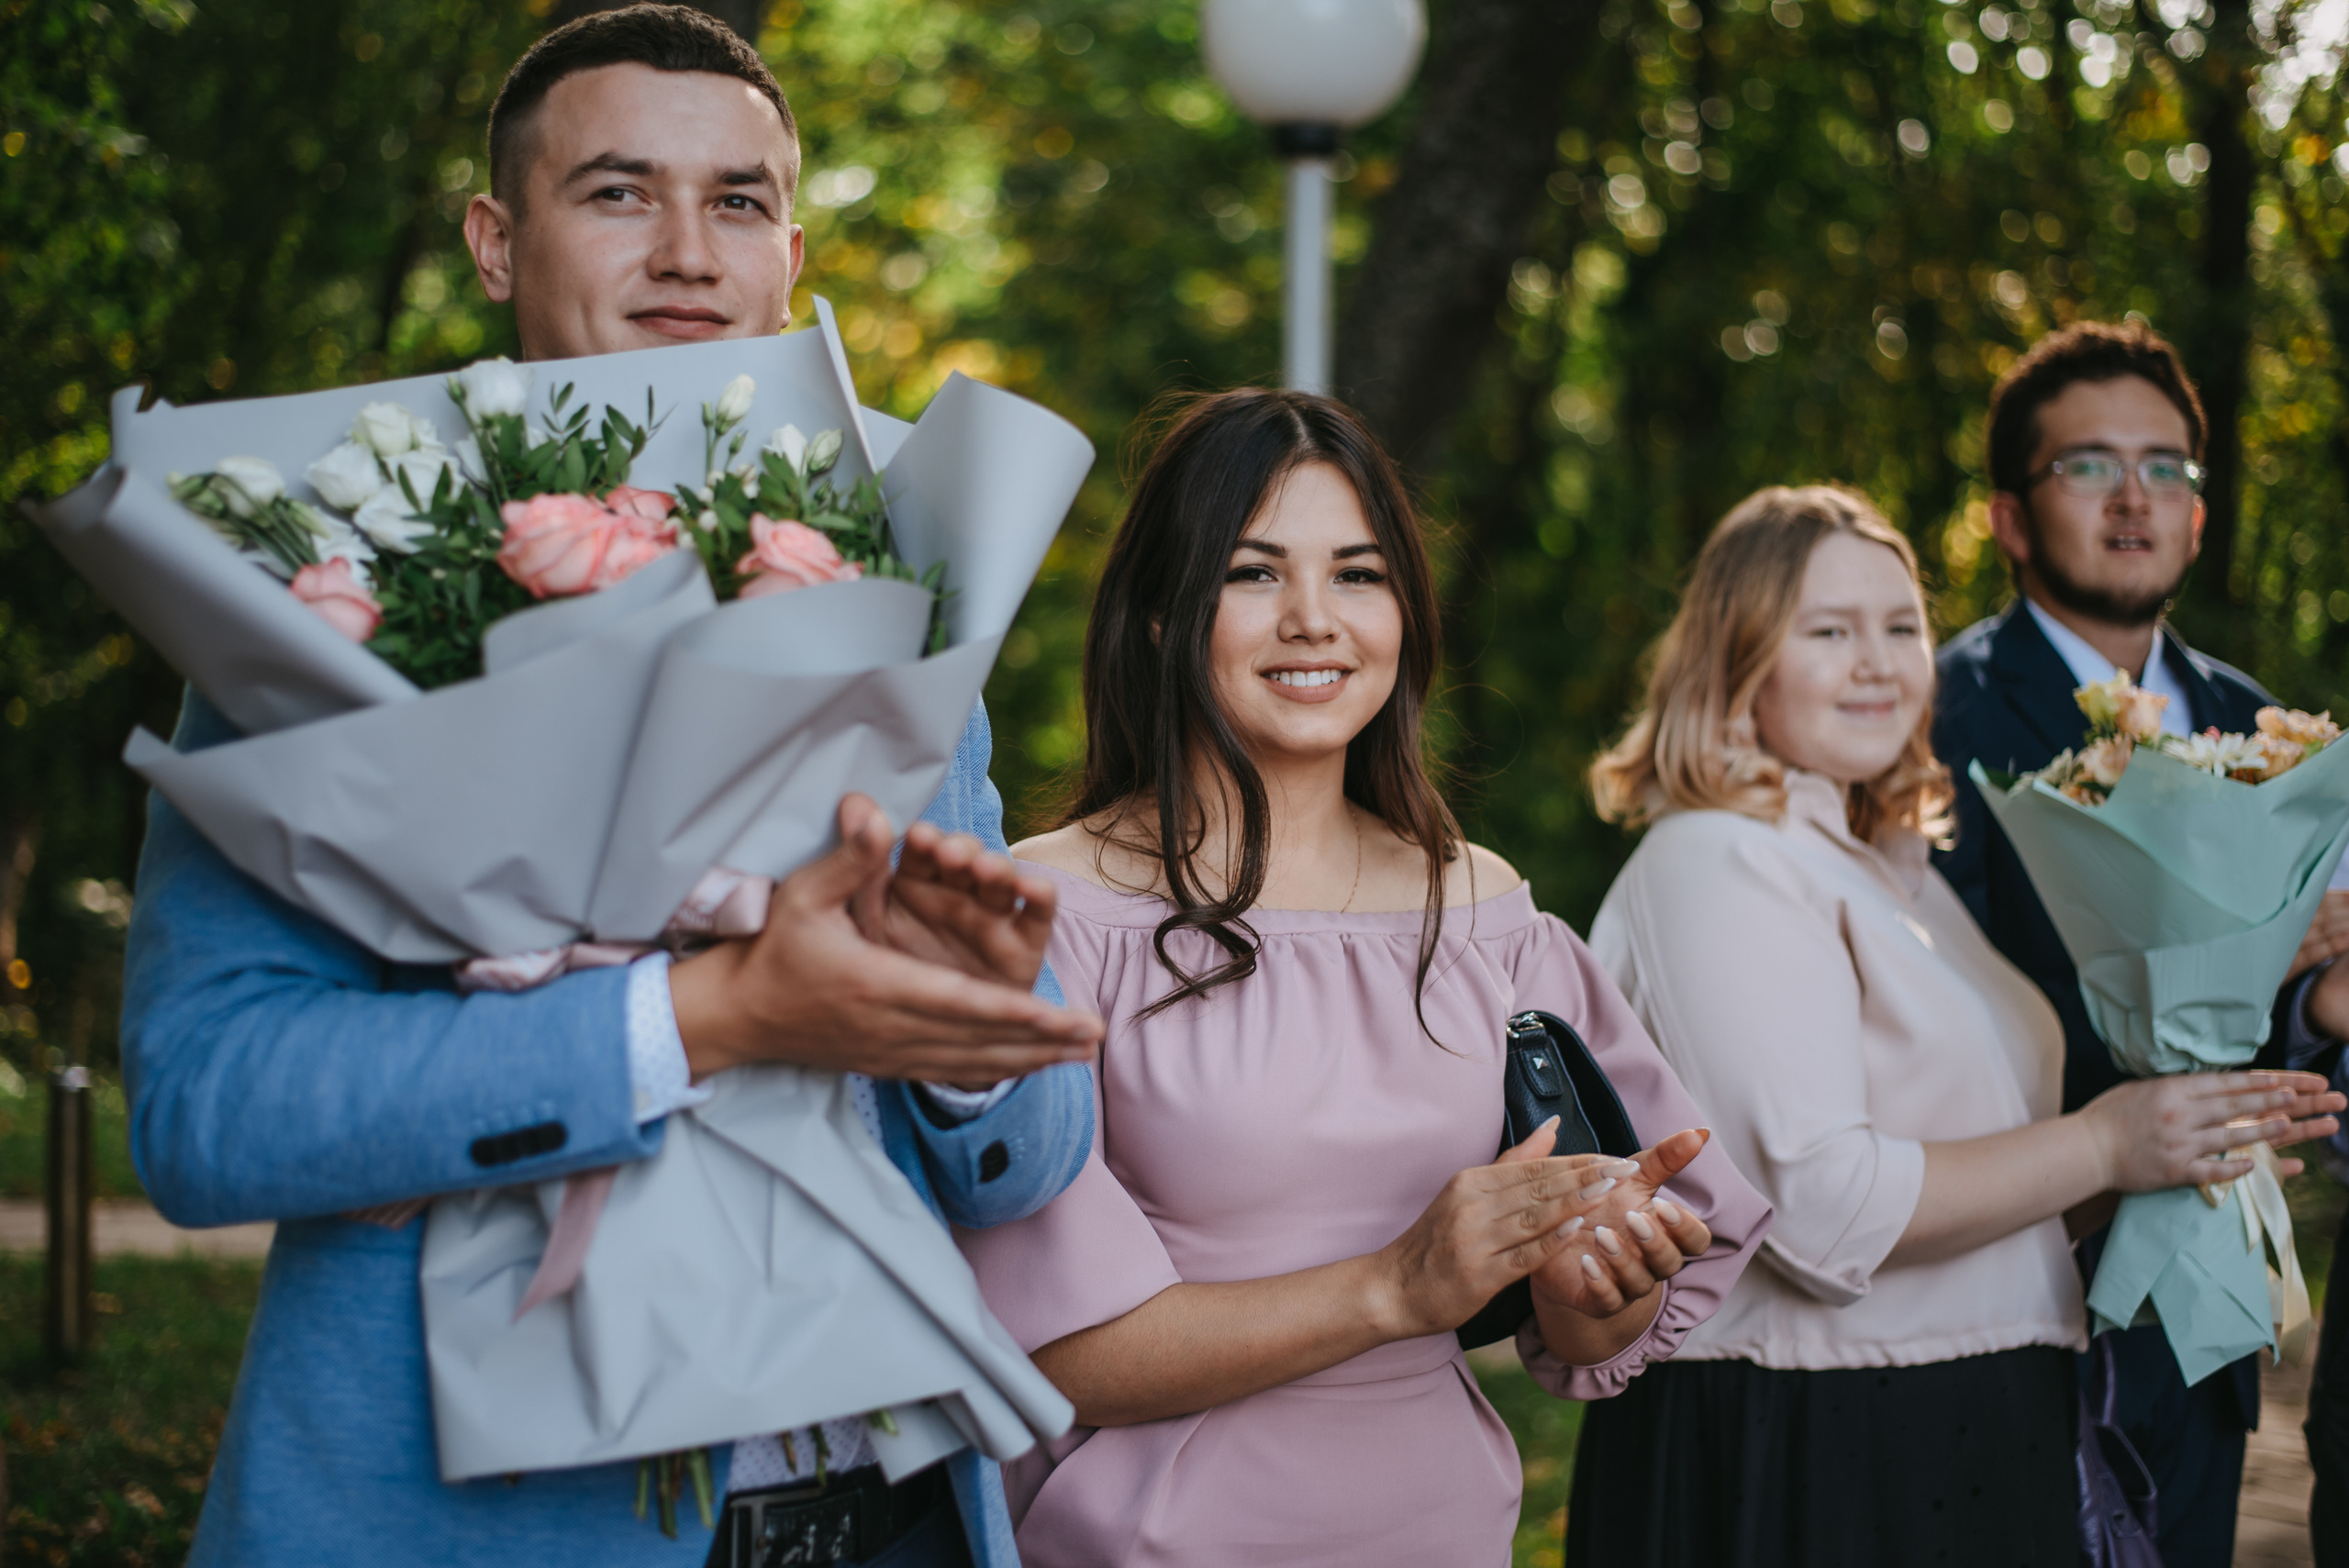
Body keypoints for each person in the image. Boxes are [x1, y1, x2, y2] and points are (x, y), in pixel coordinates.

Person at [126, 10, 1101, 1567]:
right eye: (618, 191)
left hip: (900, 1511)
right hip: (498, 1521)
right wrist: (701, 1020)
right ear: (496, 241)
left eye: (737, 202)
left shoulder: (897, 592)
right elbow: (210, 1109)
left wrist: (975, 1038)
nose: (687, 252)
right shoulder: (324, 600)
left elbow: (1029, 1163)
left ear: (792, 251)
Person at [952, 388, 1773, 1568]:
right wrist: (1395, 1286)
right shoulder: (1048, 915)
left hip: (1440, 1531)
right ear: (1153, 614)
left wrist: (1600, 1281)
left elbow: (1599, 1326)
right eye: (1251, 572)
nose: (1311, 620)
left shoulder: (1484, 911)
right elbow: (1060, 1349)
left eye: (1356, 574)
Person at [1569, 484, 2343, 1567]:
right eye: (1829, 631)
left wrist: (2158, 1161)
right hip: (1811, 1442)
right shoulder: (1718, 858)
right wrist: (2105, 1138)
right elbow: (1817, 1204)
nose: (1878, 661)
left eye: (1900, 627)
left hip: (1977, 1415)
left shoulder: (1893, 871)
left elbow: (1984, 1181)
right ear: (1736, 656)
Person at [1932, 319, 2349, 1567]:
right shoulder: (1937, 713)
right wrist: (2236, 959)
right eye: (2089, 466)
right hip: (2012, 1282)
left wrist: (2316, 1010)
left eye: (2166, 468)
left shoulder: (2258, 719)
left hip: (2200, 1304)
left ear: (2200, 515)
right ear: (2010, 517)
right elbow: (1928, 1003)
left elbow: (2283, 1024)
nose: (2133, 499)